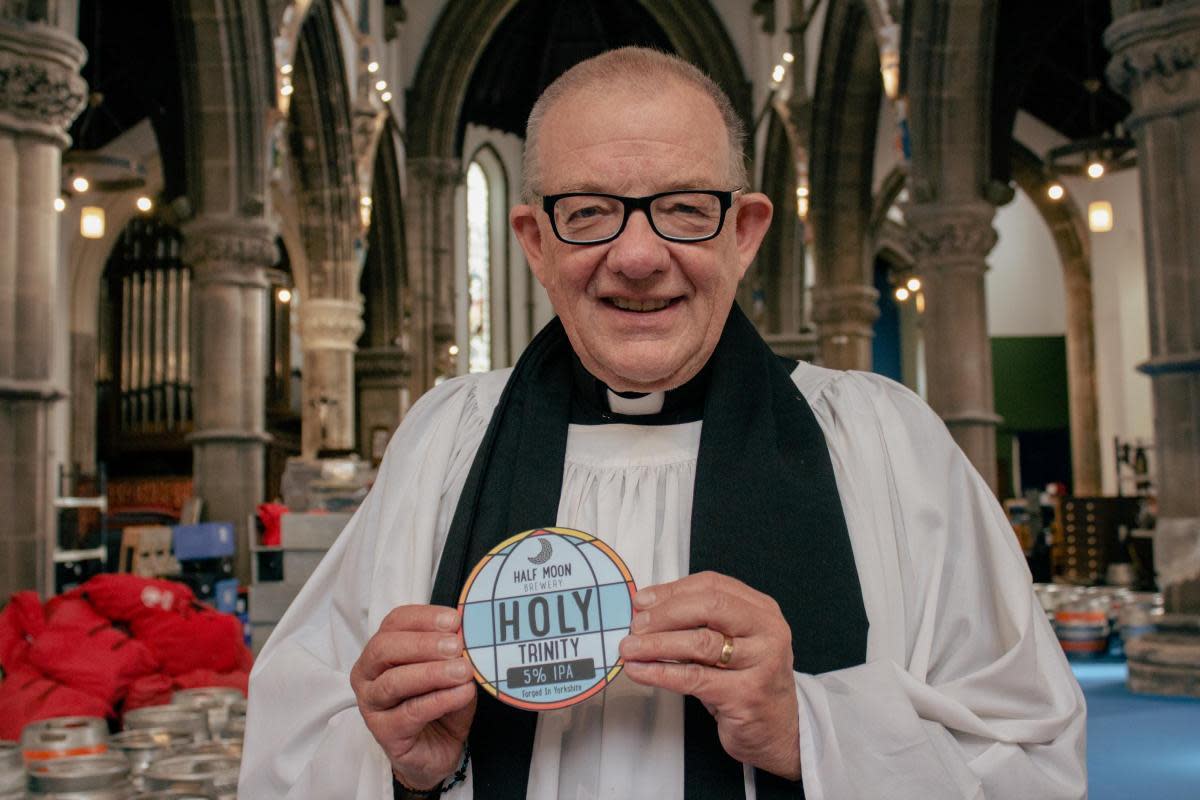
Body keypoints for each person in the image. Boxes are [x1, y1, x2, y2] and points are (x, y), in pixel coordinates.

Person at [240, 47, 1086, 799]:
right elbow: (290, 748)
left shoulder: (882, 440)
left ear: (746, 232)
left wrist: (812, 731)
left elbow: (1033, 761)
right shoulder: (444, 442)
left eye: (685, 208)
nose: (638, 258)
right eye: (588, 211)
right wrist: (402, 767)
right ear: (534, 241)